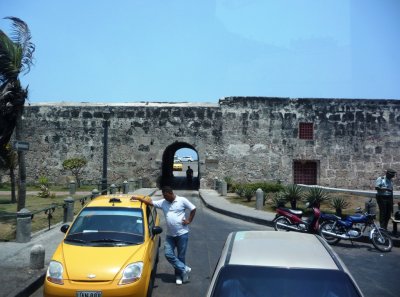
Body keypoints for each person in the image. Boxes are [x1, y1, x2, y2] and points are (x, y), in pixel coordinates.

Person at [131, 186, 196, 285]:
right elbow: (151, 203)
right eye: (164, 196)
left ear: (170, 193)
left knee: (181, 256)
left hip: (182, 234)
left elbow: (193, 208)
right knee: (168, 254)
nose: (165, 198)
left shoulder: (182, 200)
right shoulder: (163, 202)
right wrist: (139, 198)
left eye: (166, 196)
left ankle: (179, 276)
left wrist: (189, 221)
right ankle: (184, 269)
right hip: (170, 235)